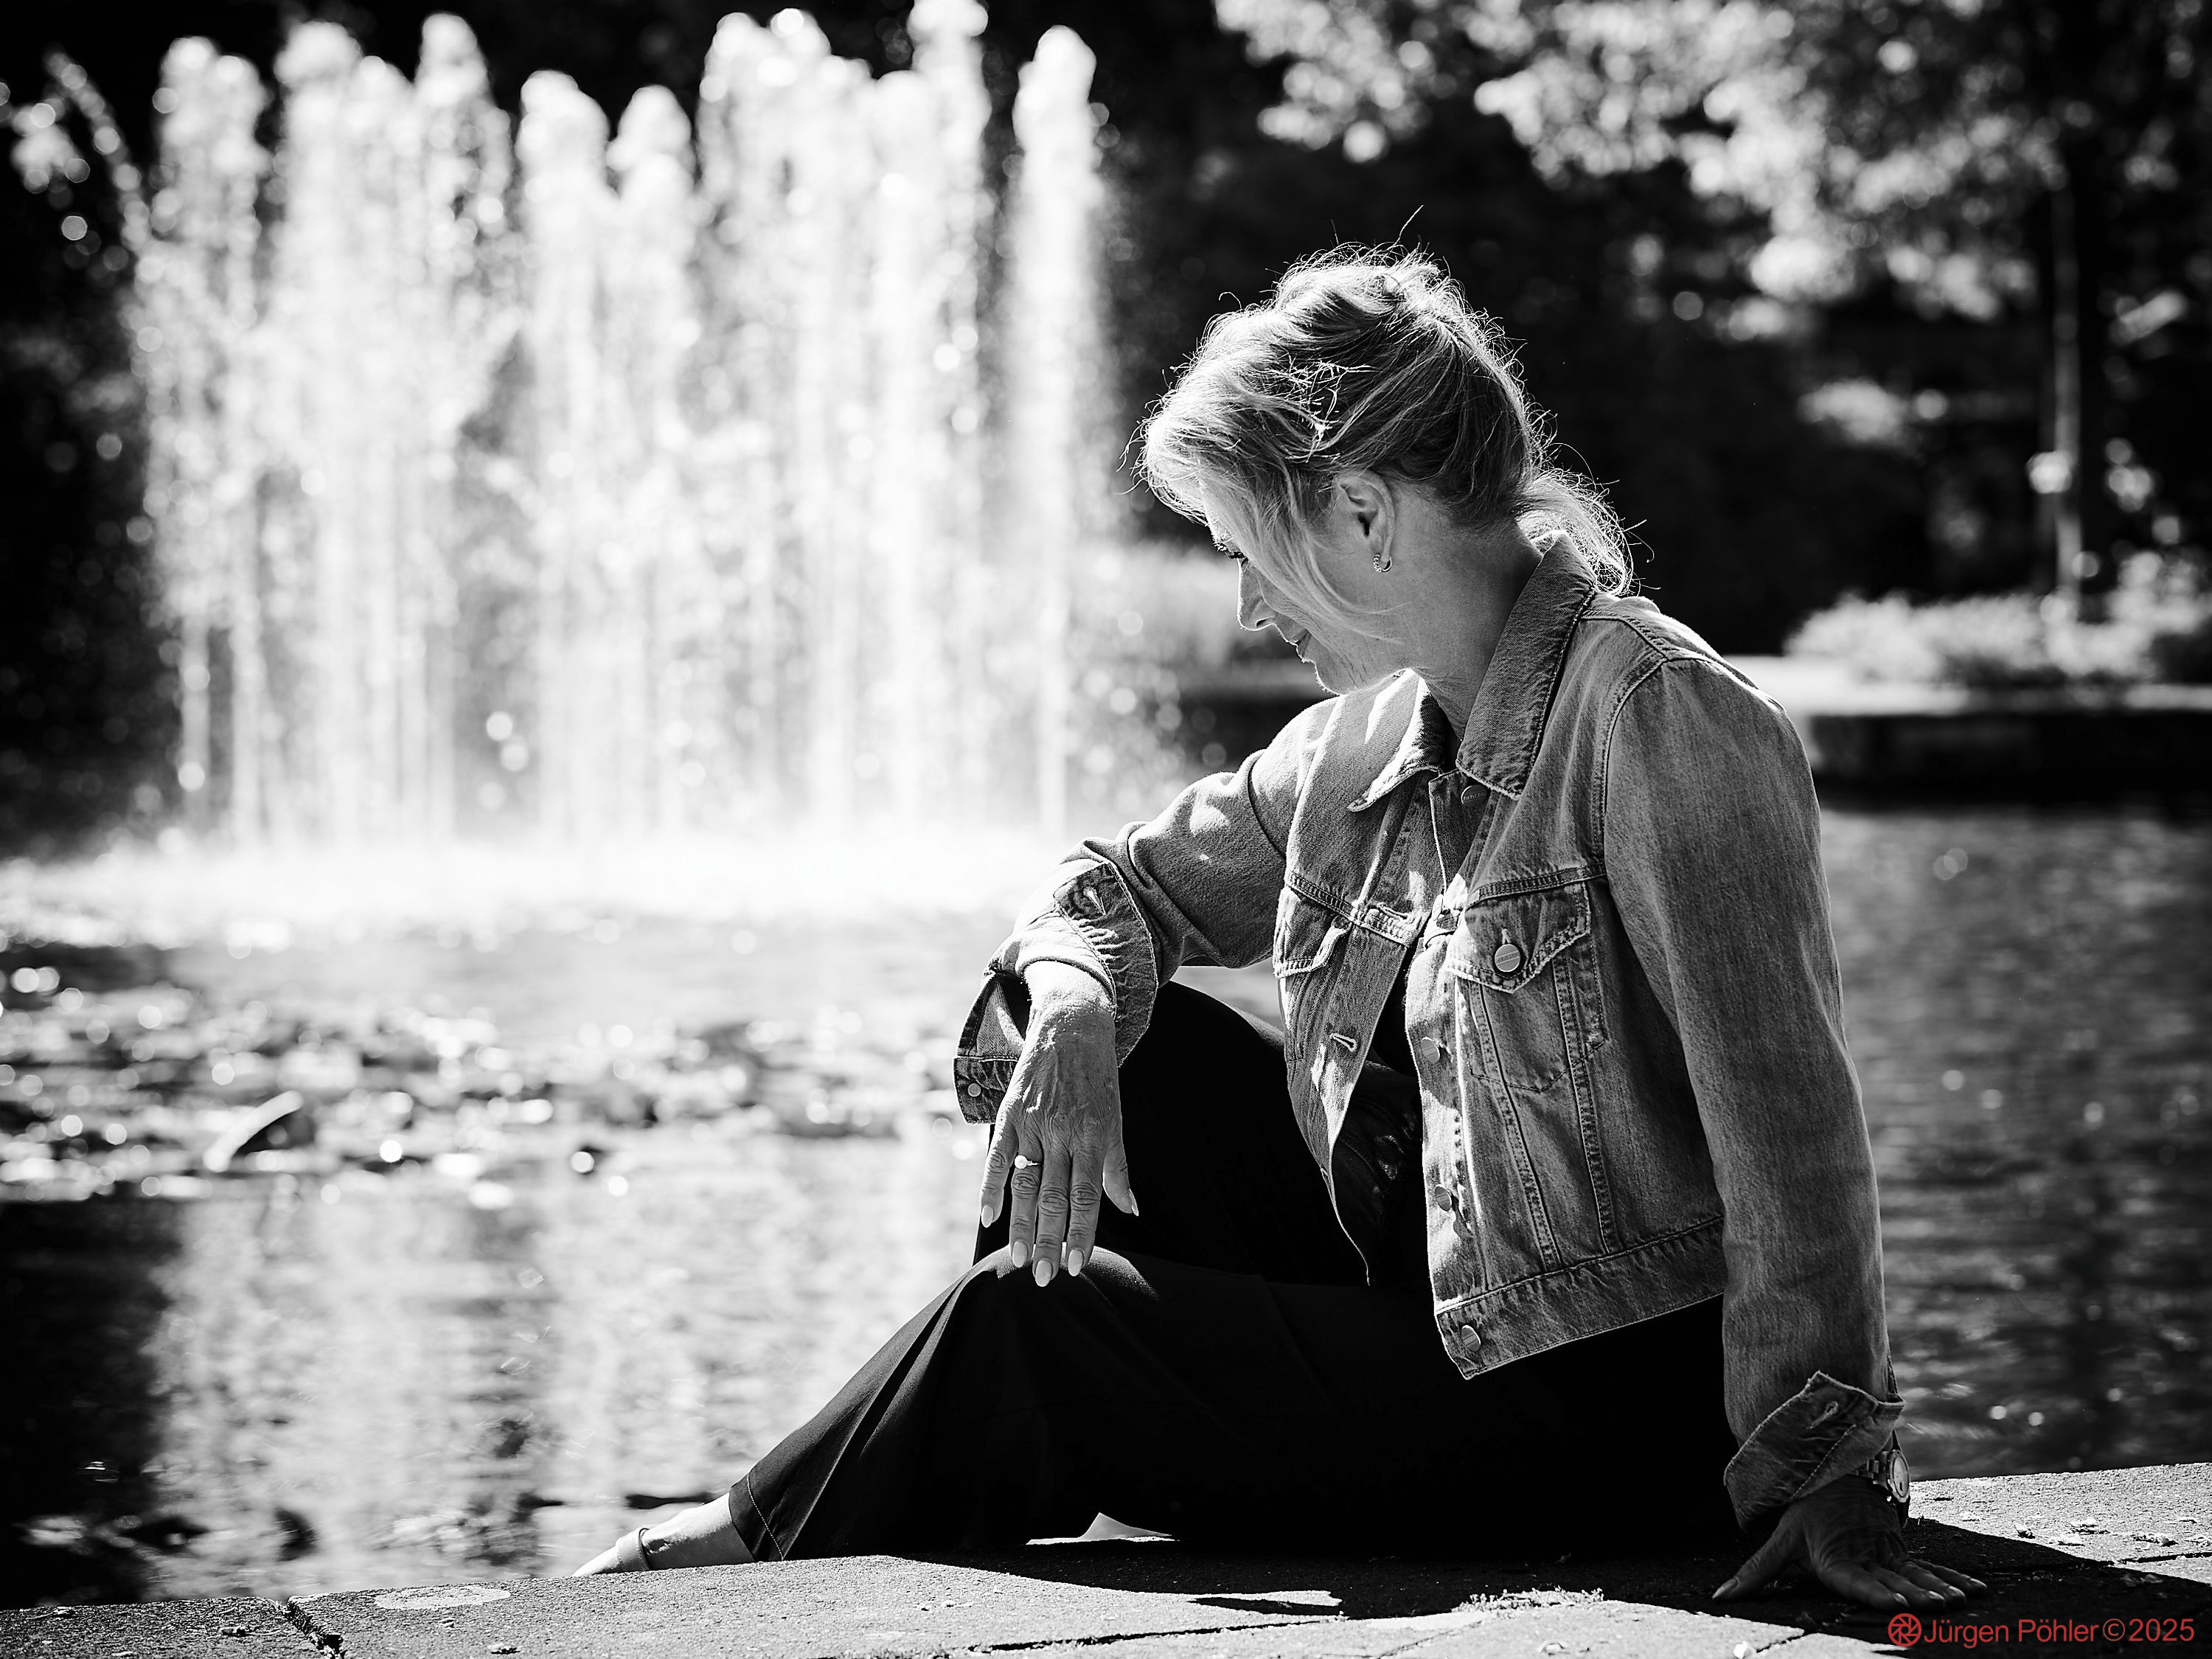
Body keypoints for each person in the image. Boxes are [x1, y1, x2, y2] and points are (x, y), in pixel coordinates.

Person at [577, 248, 1983, 1612]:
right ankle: (1009, 1481)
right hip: (1440, 1322)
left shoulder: (1656, 717)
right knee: (1120, 1046)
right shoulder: (1350, 747)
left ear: (1366, 513)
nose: (1248, 606)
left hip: (1611, 1414)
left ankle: (752, 1547)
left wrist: (1827, 1472)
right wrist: (1068, 999)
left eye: (1254, 552)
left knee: (1036, 1322)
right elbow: (1106, 887)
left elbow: (1790, 1130)